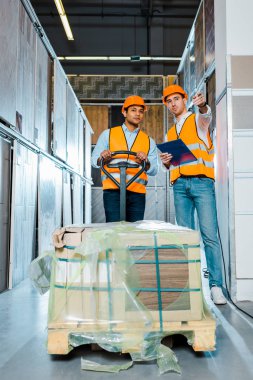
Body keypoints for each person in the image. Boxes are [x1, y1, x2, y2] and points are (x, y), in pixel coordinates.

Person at [160, 84, 227, 305]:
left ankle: (216, 286)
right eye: (169, 101)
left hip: (201, 183)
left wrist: (204, 106)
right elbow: (175, 162)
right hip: (179, 186)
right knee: (185, 239)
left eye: (176, 99)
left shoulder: (196, 119)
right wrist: (167, 163)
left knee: (209, 236)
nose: (173, 104)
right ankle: (189, 287)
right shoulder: (170, 132)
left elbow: (206, 117)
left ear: (184, 99)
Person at [91, 95, 158, 222]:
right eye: (133, 110)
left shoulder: (149, 141)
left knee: (134, 233)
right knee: (114, 231)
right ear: (124, 112)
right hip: (112, 192)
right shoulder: (108, 135)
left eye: (140, 111)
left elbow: (154, 169)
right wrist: (103, 158)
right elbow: (94, 161)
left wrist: (146, 162)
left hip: (137, 193)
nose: (137, 114)